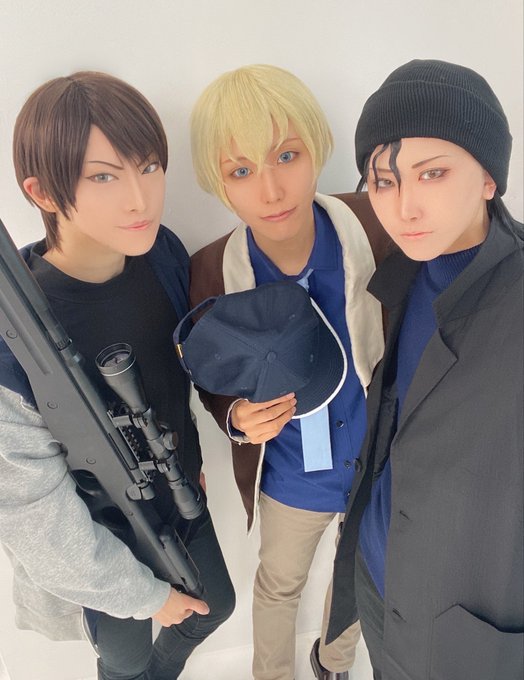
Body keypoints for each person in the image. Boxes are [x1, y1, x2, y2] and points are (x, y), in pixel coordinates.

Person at [0, 71, 235, 680]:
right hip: (95, 537)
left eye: (149, 166)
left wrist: (196, 451)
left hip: (177, 494)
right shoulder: (15, 337)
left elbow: (178, 366)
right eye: (103, 176)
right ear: (42, 192)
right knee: (124, 658)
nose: (141, 198)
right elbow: (33, 514)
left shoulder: (162, 254)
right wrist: (144, 597)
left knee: (216, 607)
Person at [189, 64, 391, 680]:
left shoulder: (377, 223)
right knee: (277, 588)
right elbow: (206, 370)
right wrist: (236, 416)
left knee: (361, 578)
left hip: (376, 462)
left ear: (316, 149)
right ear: (218, 183)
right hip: (291, 476)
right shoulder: (209, 270)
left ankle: (332, 663)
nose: (272, 190)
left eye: (286, 155)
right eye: (241, 171)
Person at [325, 59, 524, 680]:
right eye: (383, 181)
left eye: (432, 173)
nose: (404, 206)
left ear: (488, 176)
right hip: (379, 583)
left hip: (466, 628)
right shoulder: (406, 269)